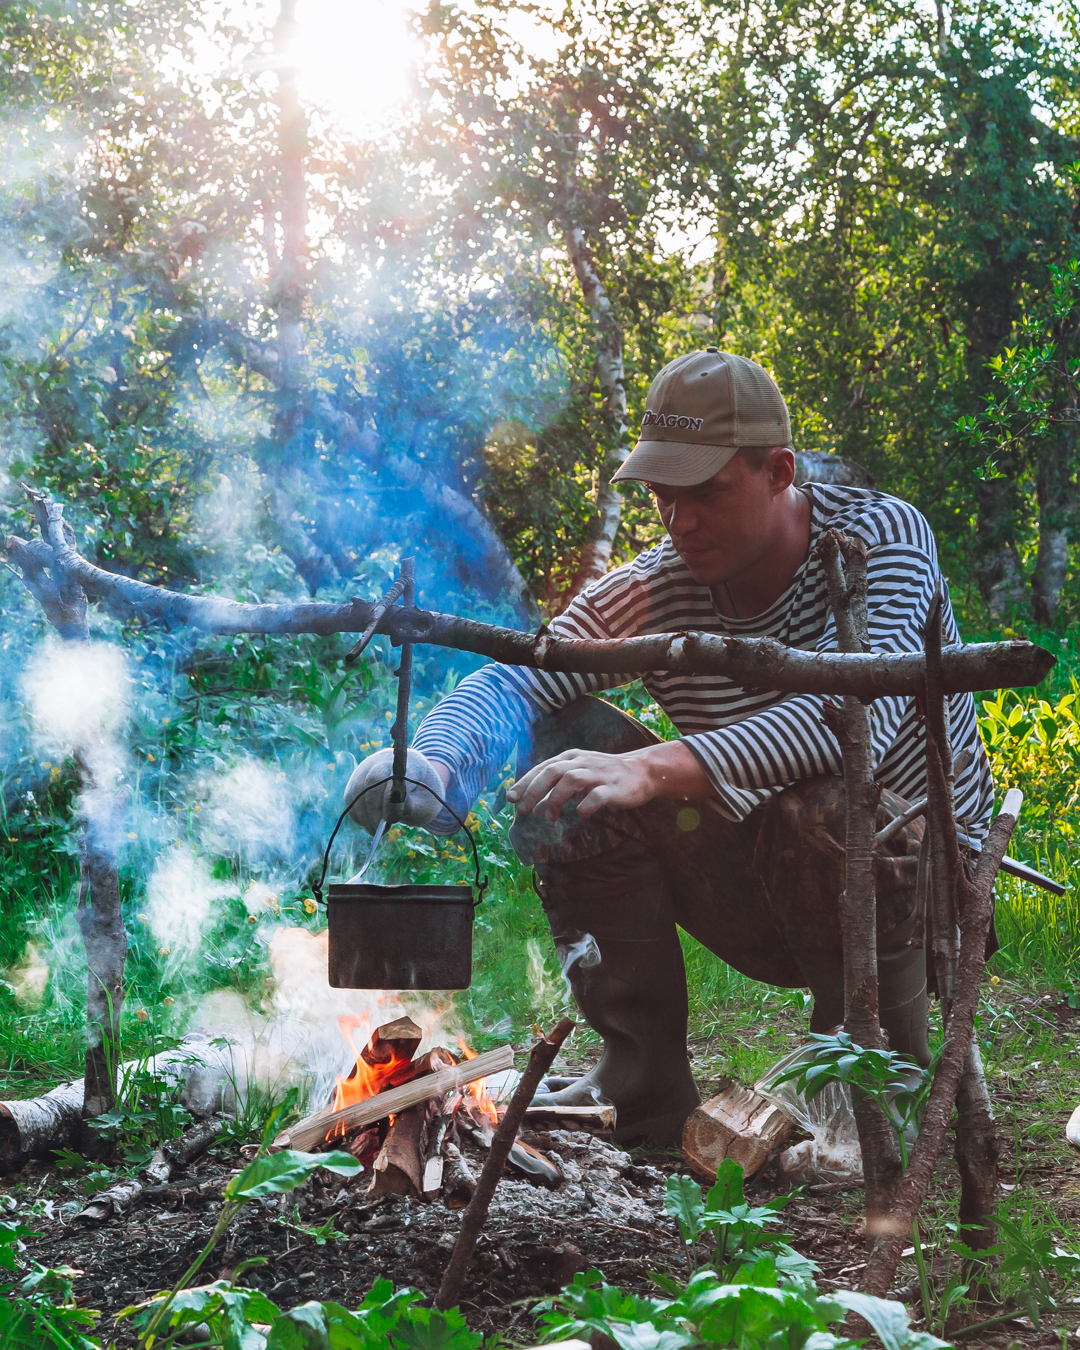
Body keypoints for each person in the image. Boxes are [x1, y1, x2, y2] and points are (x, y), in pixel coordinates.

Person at [347, 348, 994, 1146]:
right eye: (662, 497)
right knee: (564, 745)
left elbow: (846, 721)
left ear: (778, 470)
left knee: (825, 801)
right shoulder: (662, 580)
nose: (680, 522)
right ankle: (642, 1073)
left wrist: (650, 767)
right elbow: (524, 677)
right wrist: (434, 761)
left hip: (913, 885)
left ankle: (867, 1068)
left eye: (707, 494)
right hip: (762, 884)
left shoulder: (877, 540)